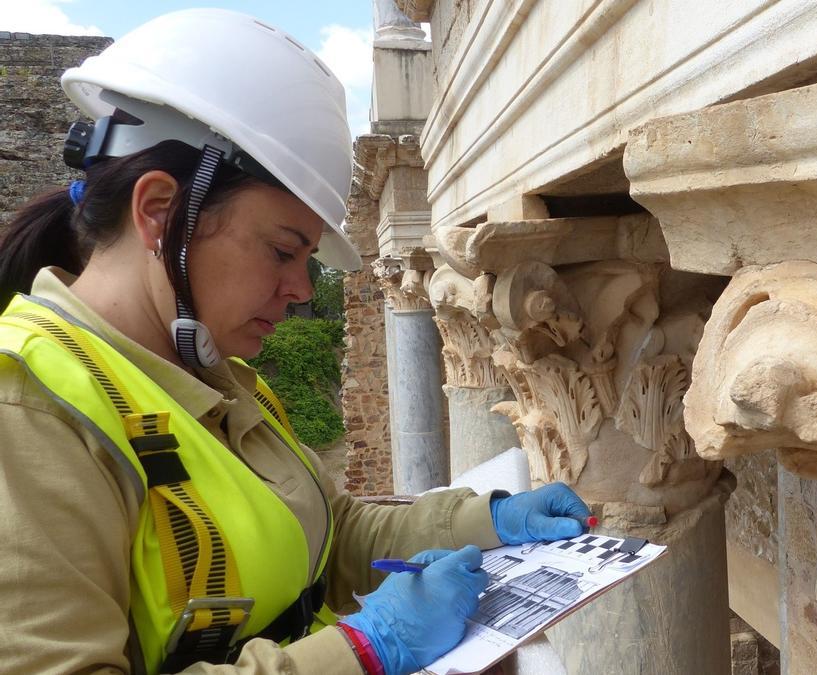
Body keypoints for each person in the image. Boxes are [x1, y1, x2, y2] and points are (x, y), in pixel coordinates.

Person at [0, 9, 591, 674]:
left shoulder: (218, 377)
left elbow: (335, 531)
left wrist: (490, 520)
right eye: (284, 250)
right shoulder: (28, 409)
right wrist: (366, 648)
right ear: (162, 213)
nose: (301, 289)